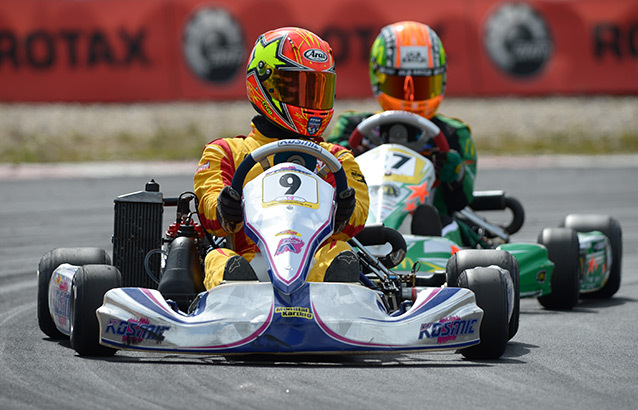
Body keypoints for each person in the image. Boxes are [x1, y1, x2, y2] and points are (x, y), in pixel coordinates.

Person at [194, 27, 369, 290]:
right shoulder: (226, 152)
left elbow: (360, 212)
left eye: (318, 90)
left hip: (311, 270)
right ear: (265, 84)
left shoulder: (336, 158)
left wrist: (345, 212)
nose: (310, 101)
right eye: (298, 89)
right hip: (251, 264)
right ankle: (236, 294)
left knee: (338, 251)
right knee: (218, 259)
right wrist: (223, 208)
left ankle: (335, 301)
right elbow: (209, 205)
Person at [327, 21, 477, 245]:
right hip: (362, 218)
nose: (410, 96)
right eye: (400, 85)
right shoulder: (352, 126)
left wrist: (456, 174)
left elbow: (462, 201)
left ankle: (429, 249)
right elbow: (328, 176)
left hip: (431, 221)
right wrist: (350, 153)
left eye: (422, 85)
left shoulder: (454, 133)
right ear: (379, 77)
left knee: (446, 225)